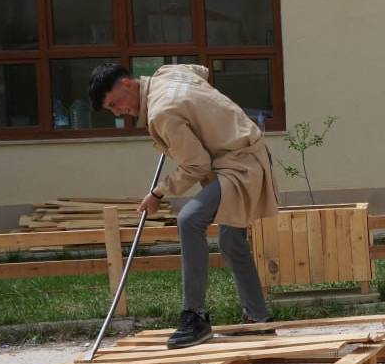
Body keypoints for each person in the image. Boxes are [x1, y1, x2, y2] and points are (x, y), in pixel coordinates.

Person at [89, 63, 280, 348]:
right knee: (231, 241)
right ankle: (259, 320)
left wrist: (158, 193)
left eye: (116, 104)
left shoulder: (162, 112)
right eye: (112, 110)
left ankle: (195, 317)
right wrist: (202, 113)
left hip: (240, 167)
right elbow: (201, 71)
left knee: (189, 219)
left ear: (128, 84)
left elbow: (197, 165)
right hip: (243, 155)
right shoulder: (168, 72)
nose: (119, 113)